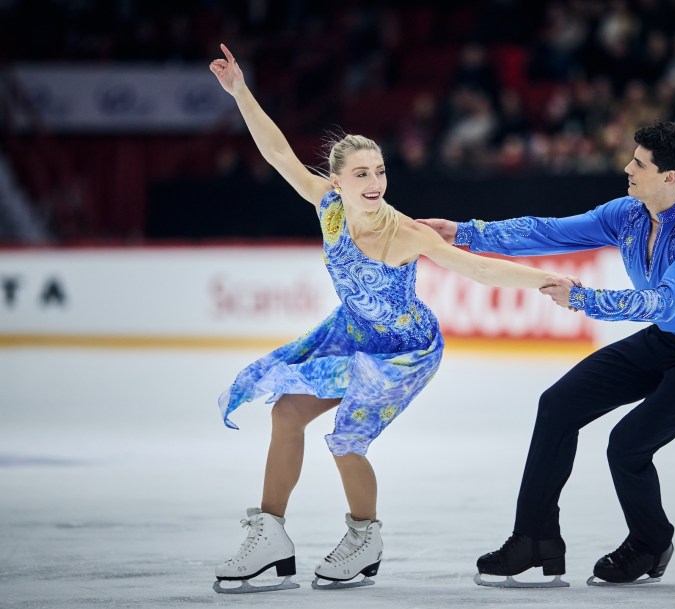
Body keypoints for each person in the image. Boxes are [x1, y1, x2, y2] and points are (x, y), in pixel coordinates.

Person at [207, 44, 567, 593]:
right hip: (352, 333)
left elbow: (479, 271)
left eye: (379, 171)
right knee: (285, 413)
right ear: (338, 180)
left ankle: (364, 537)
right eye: (361, 174)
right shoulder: (327, 206)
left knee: (346, 438)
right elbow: (279, 153)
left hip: (404, 351)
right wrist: (240, 93)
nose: (374, 183)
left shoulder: (405, 234)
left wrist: (546, 281)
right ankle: (271, 535)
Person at [419, 121, 675, 587]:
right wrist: (464, 233)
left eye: (639, 163)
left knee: (628, 444)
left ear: (669, 178)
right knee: (558, 405)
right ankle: (535, 539)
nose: (627, 168)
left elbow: (662, 302)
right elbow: (550, 232)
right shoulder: (629, 214)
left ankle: (651, 543)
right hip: (664, 342)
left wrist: (584, 300)